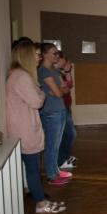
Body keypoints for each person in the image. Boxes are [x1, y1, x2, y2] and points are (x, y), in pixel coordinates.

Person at [5, 40, 65, 214]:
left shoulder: (18, 75)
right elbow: (37, 101)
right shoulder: (22, 77)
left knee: (31, 166)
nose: (39, 57)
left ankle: (37, 195)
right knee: (33, 167)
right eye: (37, 54)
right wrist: (41, 92)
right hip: (24, 128)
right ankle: (41, 203)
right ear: (27, 56)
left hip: (22, 126)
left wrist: (40, 92)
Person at [38, 43, 72, 185]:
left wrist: (58, 91)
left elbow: (66, 89)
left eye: (57, 53)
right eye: (53, 53)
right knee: (51, 145)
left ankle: (56, 170)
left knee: (56, 145)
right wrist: (58, 91)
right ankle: (51, 176)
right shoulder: (43, 71)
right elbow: (59, 92)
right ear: (44, 54)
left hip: (60, 109)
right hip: (51, 112)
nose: (56, 56)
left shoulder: (55, 70)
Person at [55, 51, 77, 171]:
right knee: (69, 134)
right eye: (66, 60)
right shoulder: (54, 73)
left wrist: (67, 72)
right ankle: (61, 161)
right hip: (60, 107)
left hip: (66, 106)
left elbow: (69, 85)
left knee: (67, 134)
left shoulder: (60, 72)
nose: (68, 63)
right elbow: (65, 89)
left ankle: (64, 159)